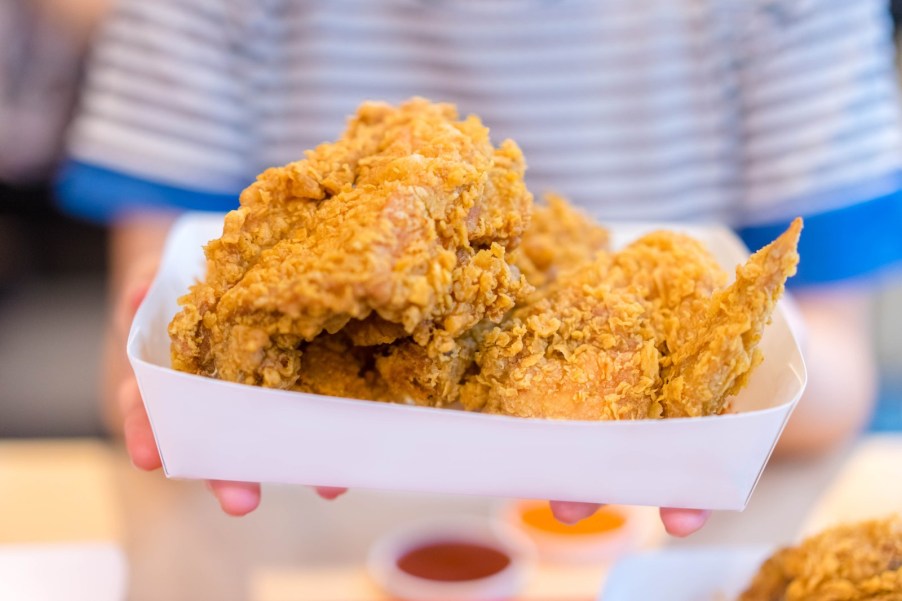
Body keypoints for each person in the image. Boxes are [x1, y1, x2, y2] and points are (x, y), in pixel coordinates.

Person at [58, 0, 902, 536]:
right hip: (278, 525)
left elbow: (836, 372)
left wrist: (705, 421)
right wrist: (168, 365)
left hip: (663, 538)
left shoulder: (792, 11)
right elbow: (159, 345)